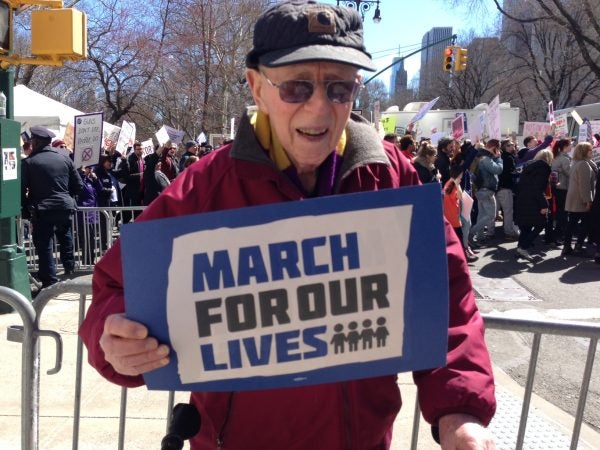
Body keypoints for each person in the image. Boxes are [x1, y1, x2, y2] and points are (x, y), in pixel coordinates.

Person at [79, 2, 496, 449]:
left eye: (339, 88)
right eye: (297, 87)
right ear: (257, 87)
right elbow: (113, 292)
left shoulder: (391, 176)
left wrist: (460, 414)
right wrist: (114, 340)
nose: (320, 108)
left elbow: (448, 300)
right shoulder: (204, 189)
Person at [21, 126, 83, 288]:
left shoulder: (29, 162)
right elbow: (78, 185)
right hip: (64, 207)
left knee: (44, 245)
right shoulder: (65, 159)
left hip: (43, 209)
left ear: (35, 141)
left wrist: (25, 209)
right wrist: (68, 198)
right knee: (66, 236)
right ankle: (69, 267)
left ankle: (49, 282)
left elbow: (21, 190)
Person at [513, 150, 553, 260]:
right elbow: (538, 188)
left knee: (526, 226)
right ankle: (523, 248)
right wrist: (544, 204)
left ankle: (521, 248)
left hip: (522, 199)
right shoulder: (544, 168)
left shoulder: (528, 165)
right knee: (541, 224)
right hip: (534, 201)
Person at [562, 142, 598, 256]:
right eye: (590, 150)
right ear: (584, 152)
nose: (592, 152)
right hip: (580, 198)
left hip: (575, 197)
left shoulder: (577, 162)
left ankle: (568, 246)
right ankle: (577, 245)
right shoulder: (583, 164)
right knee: (586, 223)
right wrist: (587, 201)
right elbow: (584, 185)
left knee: (572, 223)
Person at [469, 139, 503, 245]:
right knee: (491, 215)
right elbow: (498, 170)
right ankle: (471, 233)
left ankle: (480, 237)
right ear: (494, 148)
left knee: (482, 214)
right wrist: (499, 159)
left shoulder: (479, 156)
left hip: (479, 189)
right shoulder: (486, 158)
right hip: (486, 190)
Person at [496, 139, 520, 239]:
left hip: (498, 188)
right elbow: (508, 173)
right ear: (505, 146)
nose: (513, 146)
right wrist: (517, 172)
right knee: (508, 211)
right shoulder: (509, 158)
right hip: (506, 187)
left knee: (495, 212)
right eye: (510, 145)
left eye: (513, 144)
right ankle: (509, 232)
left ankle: (490, 232)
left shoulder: (500, 157)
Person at [550, 138, 572, 243]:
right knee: (562, 212)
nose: (571, 146)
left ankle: (555, 234)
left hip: (556, 187)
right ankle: (558, 234)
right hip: (563, 187)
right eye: (570, 145)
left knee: (559, 211)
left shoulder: (556, 156)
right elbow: (570, 174)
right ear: (565, 147)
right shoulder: (565, 159)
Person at [121, 141, 145, 223]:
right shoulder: (130, 160)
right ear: (134, 150)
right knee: (128, 215)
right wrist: (139, 175)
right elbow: (126, 177)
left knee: (139, 216)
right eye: (138, 149)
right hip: (132, 193)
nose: (140, 151)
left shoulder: (142, 160)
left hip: (140, 192)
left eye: (141, 149)